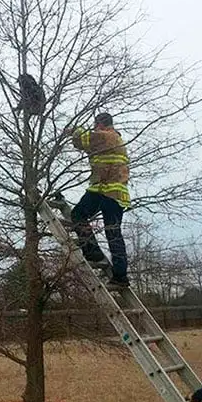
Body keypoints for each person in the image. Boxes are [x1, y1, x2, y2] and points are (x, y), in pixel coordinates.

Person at [66, 112, 130, 288]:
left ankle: (93, 252)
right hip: (116, 193)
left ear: (100, 124)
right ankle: (120, 276)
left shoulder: (105, 136)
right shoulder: (116, 140)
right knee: (114, 233)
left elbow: (83, 140)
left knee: (78, 214)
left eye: (95, 125)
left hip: (104, 189)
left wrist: (73, 131)